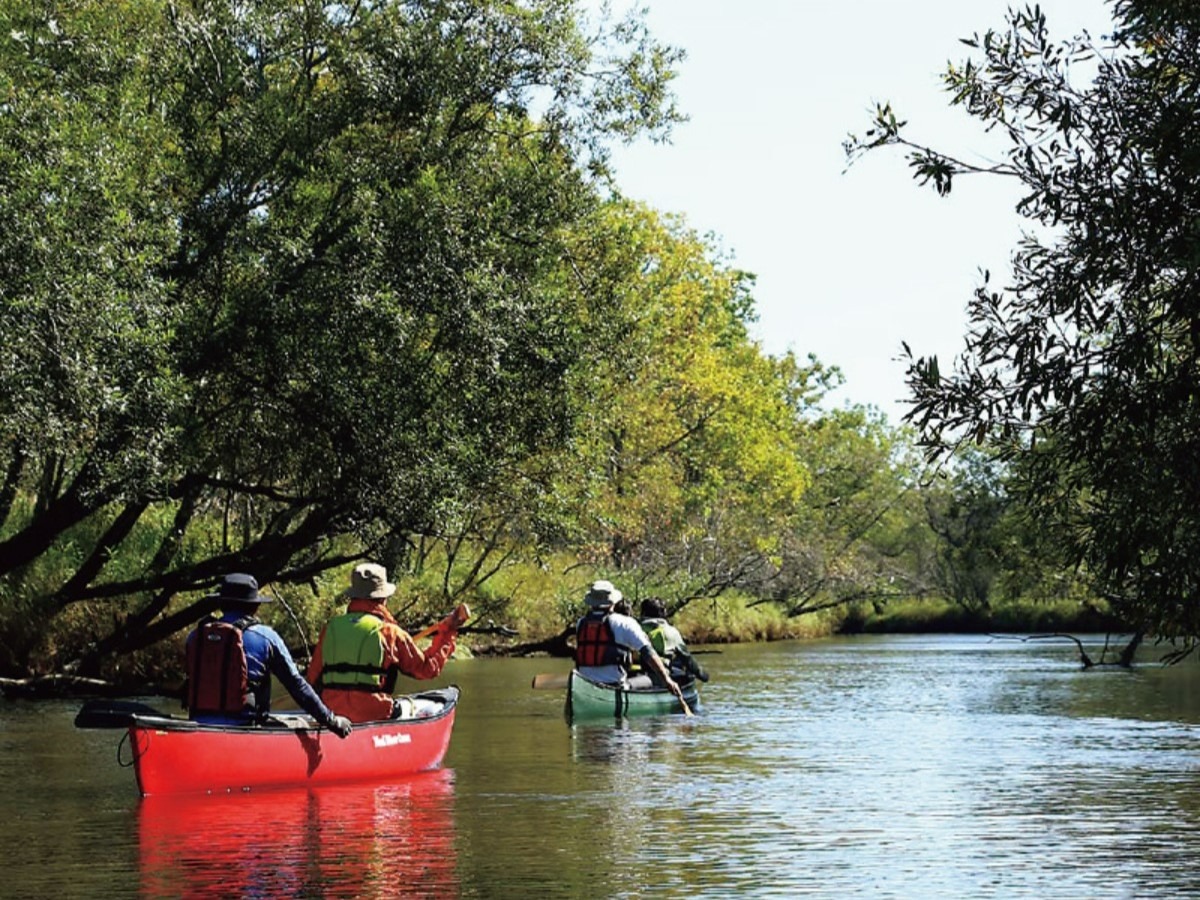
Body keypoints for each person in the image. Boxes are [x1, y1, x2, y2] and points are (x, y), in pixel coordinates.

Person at [185, 573, 352, 737]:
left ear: (221, 604)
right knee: (300, 723)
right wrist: (331, 720)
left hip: (198, 727)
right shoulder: (265, 637)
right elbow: (297, 686)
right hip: (245, 729)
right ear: (255, 607)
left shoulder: (195, 637)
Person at [306, 562, 462, 723]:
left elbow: (312, 680)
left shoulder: (331, 628)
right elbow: (427, 668)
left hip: (331, 713)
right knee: (416, 707)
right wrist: (449, 633)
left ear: (353, 596)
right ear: (383, 598)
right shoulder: (390, 633)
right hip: (374, 712)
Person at [574, 579, 686, 703]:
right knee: (649, 679)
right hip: (615, 686)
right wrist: (667, 680)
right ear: (613, 602)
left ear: (592, 602)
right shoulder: (624, 623)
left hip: (586, 685)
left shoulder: (581, 623)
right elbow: (648, 653)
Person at [639, 597, 709, 684]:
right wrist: (703, 675)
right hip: (660, 678)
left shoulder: (633, 628)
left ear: (643, 613)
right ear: (664, 613)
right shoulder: (671, 632)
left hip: (633, 676)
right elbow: (687, 659)